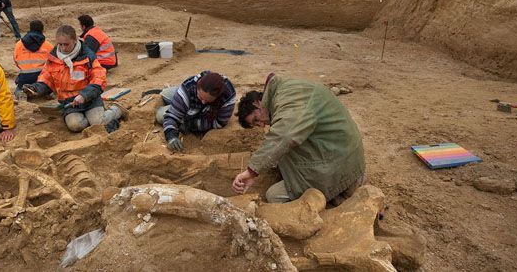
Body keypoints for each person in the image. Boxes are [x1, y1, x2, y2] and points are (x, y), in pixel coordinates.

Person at [231, 74, 366, 206]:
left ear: (257, 103)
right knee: (282, 162)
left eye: (256, 119)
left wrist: (251, 171)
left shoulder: (287, 101)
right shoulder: (285, 89)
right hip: (344, 152)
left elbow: (285, 136)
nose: (261, 125)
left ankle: (332, 198)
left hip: (340, 164)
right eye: (256, 125)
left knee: (273, 196)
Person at [22, 25, 125, 132]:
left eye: (66, 44)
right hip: (69, 103)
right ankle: (91, 119)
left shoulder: (88, 56)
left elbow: (99, 79)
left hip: (90, 100)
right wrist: (35, 89)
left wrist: (84, 96)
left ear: (74, 41)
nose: (63, 48)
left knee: (98, 123)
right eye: (60, 44)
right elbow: (46, 79)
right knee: (75, 126)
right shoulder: (53, 59)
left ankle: (116, 110)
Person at [156, 71, 236, 152]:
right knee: (164, 98)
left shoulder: (228, 95)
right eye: (201, 97)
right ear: (197, 87)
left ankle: (181, 104)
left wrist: (190, 124)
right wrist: (171, 136)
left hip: (198, 113)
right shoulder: (188, 87)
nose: (203, 102)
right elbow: (172, 116)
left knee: (164, 115)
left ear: (218, 96)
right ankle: (175, 97)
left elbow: (219, 122)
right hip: (189, 99)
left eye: (208, 100)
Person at [13, 20, 54, 97]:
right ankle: (46, 92)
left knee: (19, 86)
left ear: (30, 29)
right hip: (42, 76)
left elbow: (16, 61)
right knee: (49, 84)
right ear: (42, 30)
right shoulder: (48, 44)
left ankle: (20, 93)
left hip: (25, 76)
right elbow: (54, 62)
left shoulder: (19, 44)